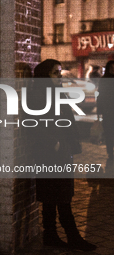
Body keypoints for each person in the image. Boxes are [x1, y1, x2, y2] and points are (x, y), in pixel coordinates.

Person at [28, 59, 97, 251]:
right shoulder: (37, 95)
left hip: (61, 151)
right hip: (49, 153)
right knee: (60, 196)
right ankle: (72, 236)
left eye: (59, 72)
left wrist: (71, 143)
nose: (59, 76)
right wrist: (54, 144)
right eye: (55, 73)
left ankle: (50, 235)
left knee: (57, 196)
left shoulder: (57, 93)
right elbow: (34, 123)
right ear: (44, 76)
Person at [97, 60, 114, 162]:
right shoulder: (104, 80)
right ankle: (110, 152)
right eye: (111, 68)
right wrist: (99, 111)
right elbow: (100, 95)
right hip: (108, 111)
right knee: (109, 133)